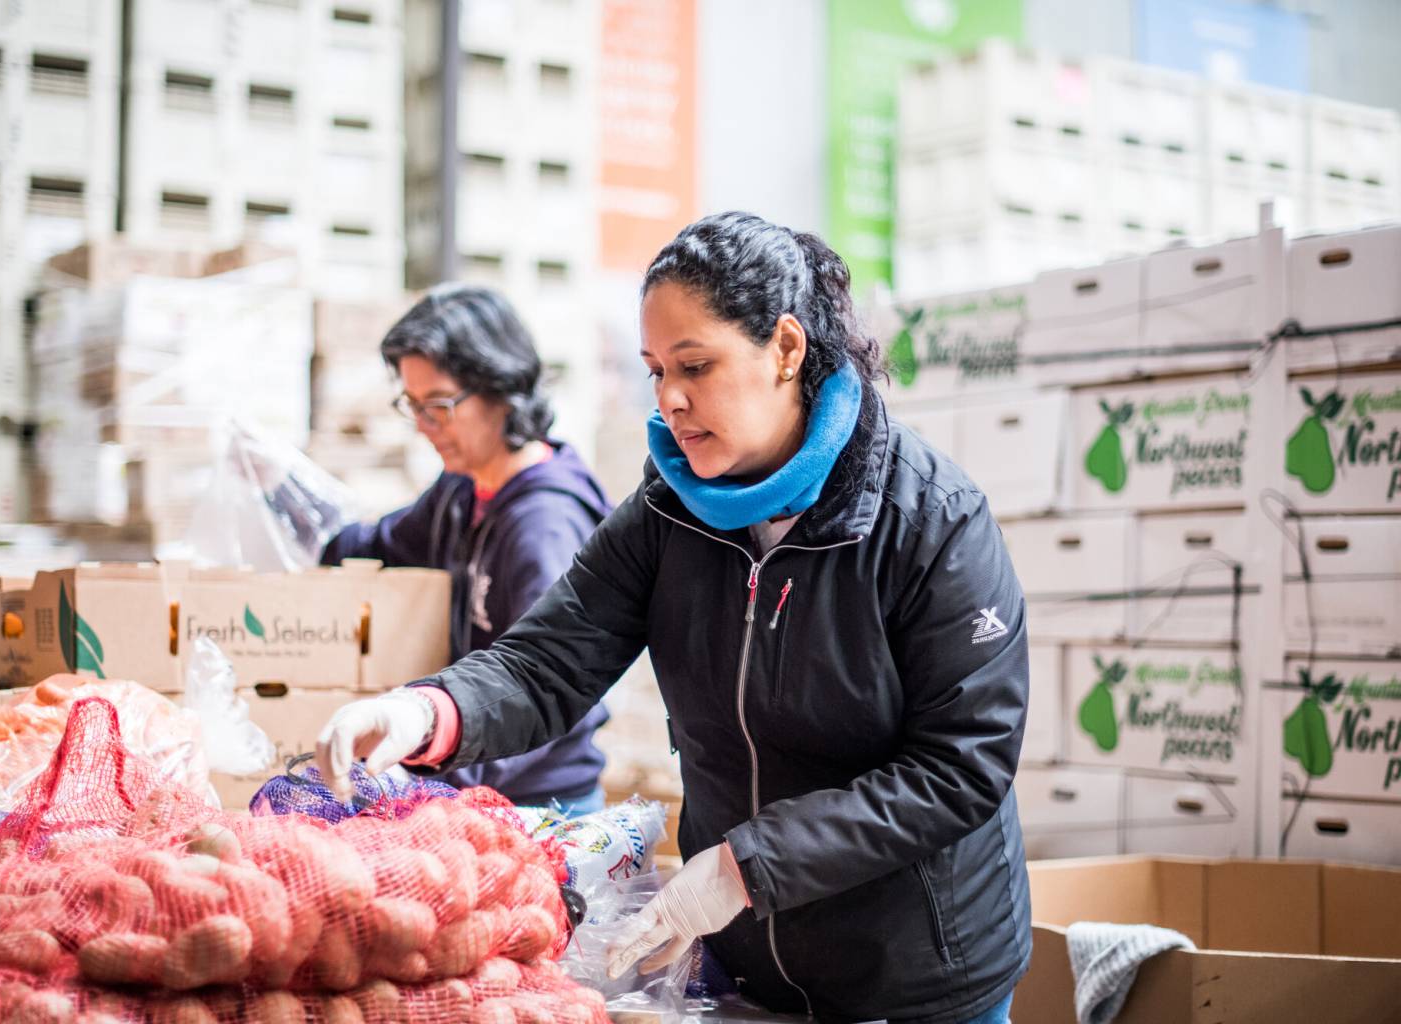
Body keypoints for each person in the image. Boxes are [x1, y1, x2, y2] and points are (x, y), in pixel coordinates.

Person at [317, 214, 1030, 1024]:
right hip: (747, 963)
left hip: (915, 976)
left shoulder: (931, 520)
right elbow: (549, 660)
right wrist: (428, 711)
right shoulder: (669, 512)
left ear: (786, 349)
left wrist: (745, 868)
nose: (670, 399)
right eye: (656, 370)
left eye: (695, 366)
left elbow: (959, 766)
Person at [319, 284, 613, 815]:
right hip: (464, 779)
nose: (424, 426)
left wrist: (426, 777)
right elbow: (382, 545)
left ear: (501, 388)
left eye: (439, 405)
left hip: (537, 807)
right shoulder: (460, 491)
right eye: (413, 406)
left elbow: (544, 689)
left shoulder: (543, 526)